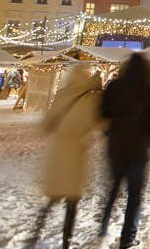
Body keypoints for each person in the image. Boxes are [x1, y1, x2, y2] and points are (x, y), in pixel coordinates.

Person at [29, 67, 102, 249]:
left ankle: (35, 233)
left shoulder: (62, 95)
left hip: (58, 152)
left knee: (52, 197)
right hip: (77, 154)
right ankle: (66, 241)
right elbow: (98, 124)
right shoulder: (90, 100)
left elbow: (47, 123)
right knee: (72, 201)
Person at [98, 53, 150, 249]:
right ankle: (128, 237)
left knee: (113, 189)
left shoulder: (114, 87)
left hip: (116, 146)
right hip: (138, 149)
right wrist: (145, 141)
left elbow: (102, 113)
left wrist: (111, 133)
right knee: (134, 195)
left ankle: (102, 229)